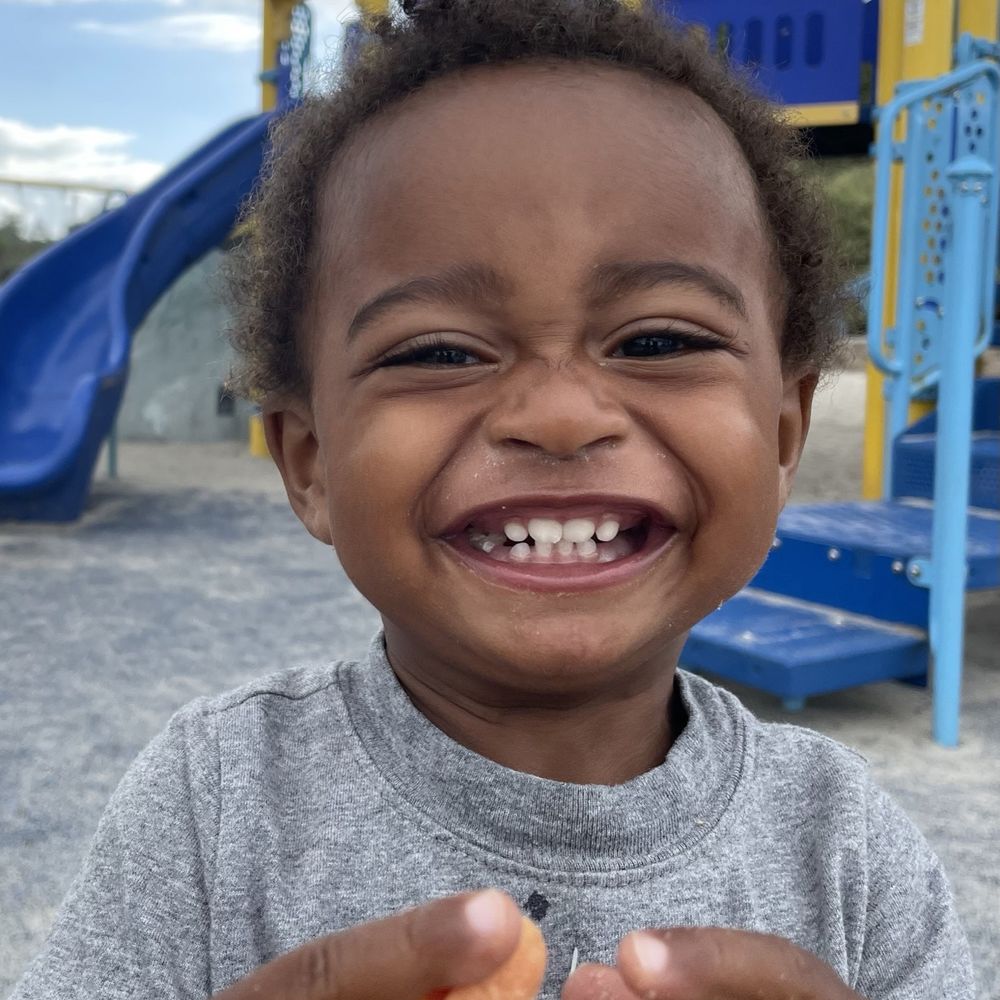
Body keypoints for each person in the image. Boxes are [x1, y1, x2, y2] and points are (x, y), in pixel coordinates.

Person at [12, 1, 974, 998]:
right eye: (439, 352)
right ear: (310, 462)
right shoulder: (215, 798)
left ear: (781, 435)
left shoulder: (845, 845)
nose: (559, 416)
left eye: (659, 340)